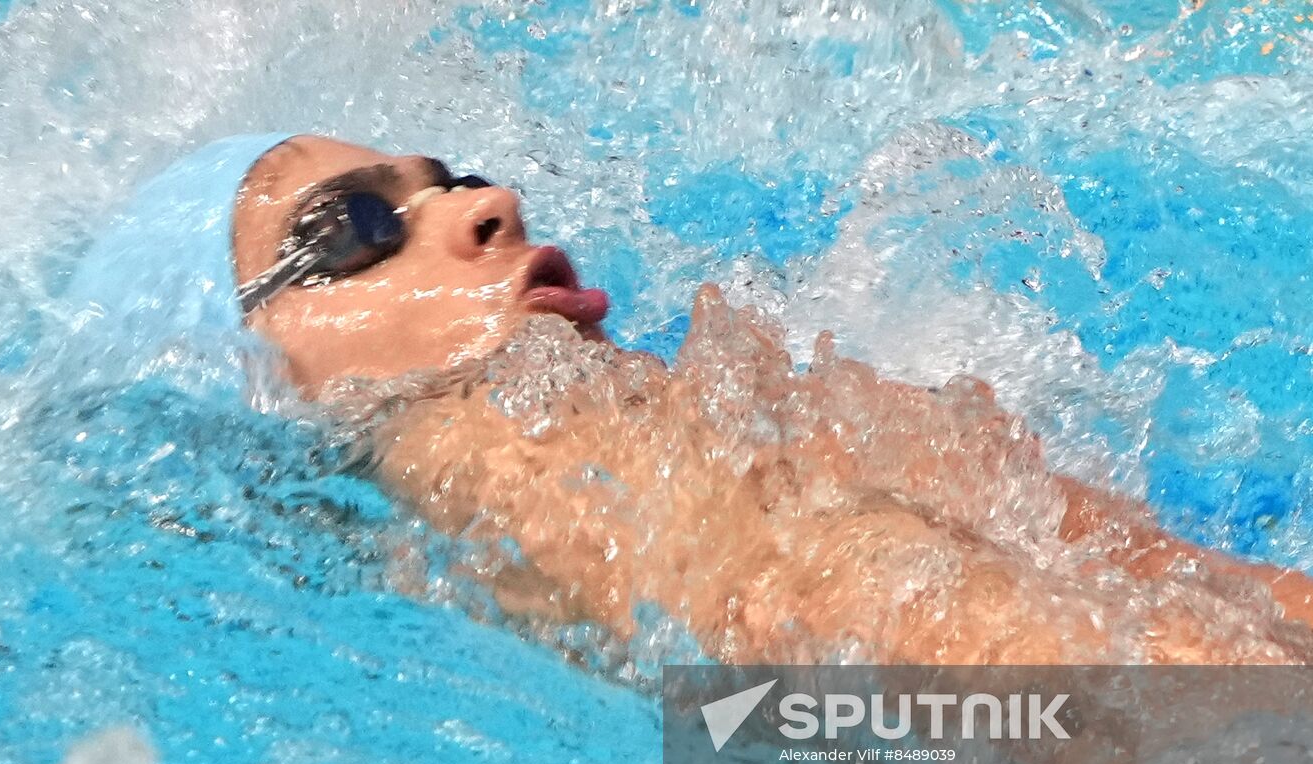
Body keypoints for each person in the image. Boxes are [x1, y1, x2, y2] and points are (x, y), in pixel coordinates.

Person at [69, 133, 1313, 669]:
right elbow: (1137, 722)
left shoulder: (736, 411)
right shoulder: (489, 449)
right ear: (243, 376)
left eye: (451, 180)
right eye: (357, 227)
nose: (481, 210)